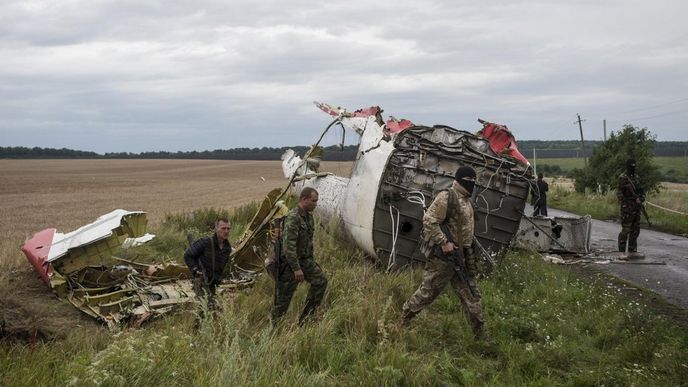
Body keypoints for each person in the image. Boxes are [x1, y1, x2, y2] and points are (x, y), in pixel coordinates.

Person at [400, 166, 486, 338]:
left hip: (462, 258)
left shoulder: (467, 200)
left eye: (474, 181)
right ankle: (403, 320)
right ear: (460, 180)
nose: (472, 184)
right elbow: (429, 220)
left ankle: (480, 335)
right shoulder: (447, 197)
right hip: (445, 259)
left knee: (472, 295)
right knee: (427, 293)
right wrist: (444, 242)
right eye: (469, 180)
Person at [271, 187, 328, 325]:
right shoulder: (293, 217)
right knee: (282, 301)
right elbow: (288, 247)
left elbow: (308, 242)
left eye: (316, 201)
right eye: (313, 201)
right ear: (304, 199)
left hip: (305, 261)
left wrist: (310, 262)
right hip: (290, 264)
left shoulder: (308, 216)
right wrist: (296, 269)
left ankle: (306, 320)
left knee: (320, 281)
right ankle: (274, 331)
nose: (316, 204)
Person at [184, 218, 233, 307]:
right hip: (202, 281)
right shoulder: (205, 242)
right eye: (223, 228)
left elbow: (223, 265)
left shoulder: (227, 248)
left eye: (228, 228)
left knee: (212, 307)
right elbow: (188, 255)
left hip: (214, 284)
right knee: (205, 307)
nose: (226, 231)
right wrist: (195, 270)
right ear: (216, 229)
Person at [617, 158, 644, 256]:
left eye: (634, 166)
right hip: (627, 207)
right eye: (631, 166)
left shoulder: (636, 177)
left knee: (636, 229)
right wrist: (625, 204)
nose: (633, 168)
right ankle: (622, 251)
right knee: (626, 229)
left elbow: (641, 190)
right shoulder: (623, 177)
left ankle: (632, 250)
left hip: (636, 206)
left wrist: (641, 199)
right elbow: (619, 193)